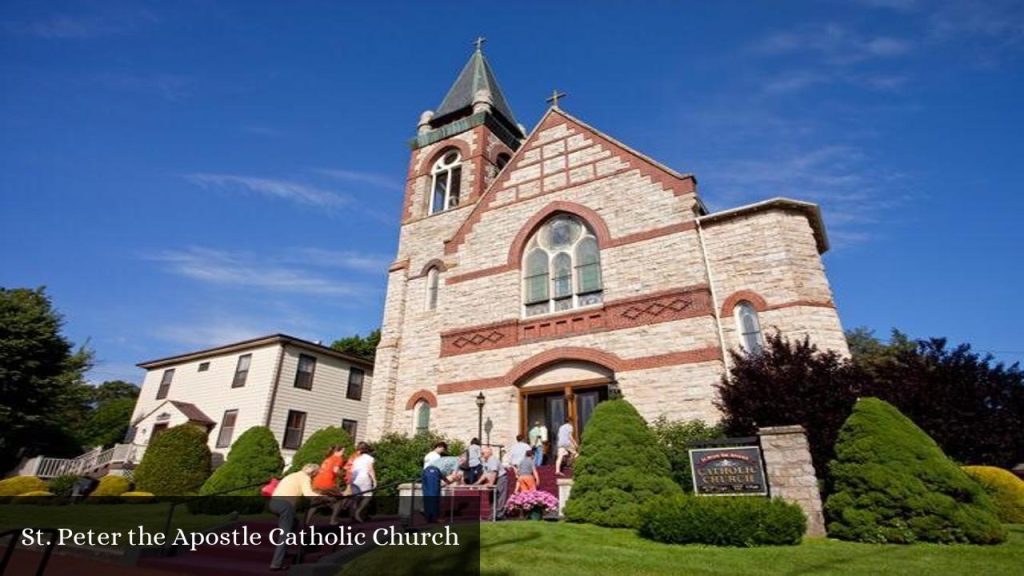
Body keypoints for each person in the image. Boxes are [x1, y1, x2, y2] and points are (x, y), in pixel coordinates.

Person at [269, 463, 321, 571]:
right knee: (285, 535)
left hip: (273, 503)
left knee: (295, 523)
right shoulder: (305, 478)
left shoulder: (292, 475)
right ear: (313, 473)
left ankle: (283, 551)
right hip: (285, 505)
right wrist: (325, 497)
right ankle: (276, 564)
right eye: (316, 474)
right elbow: (308, 494)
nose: (316, 476)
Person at [307, 445, 346, 525]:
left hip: (316, 482)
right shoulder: (338, 458)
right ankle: (333, 520)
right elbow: (336, 470)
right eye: (342, 451)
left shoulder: (327, 459)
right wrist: (343, 476)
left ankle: (306, 521)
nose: (343, 453)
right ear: (337, 452)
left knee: (315, 503)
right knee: (339, 500)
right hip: (327, 483)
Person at [475, 446, 509, 520]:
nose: (482, 455)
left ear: (489, 453)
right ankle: (493, 514)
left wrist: (490, 483)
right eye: (481, 453)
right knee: (492, 497)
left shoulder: (492, 460)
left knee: (500, 496)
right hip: (495, 478)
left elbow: (494, 472)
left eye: (483, 453)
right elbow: (485, 473)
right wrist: (477, 483)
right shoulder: (485, 461)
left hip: (501, 478)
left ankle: (499, 515)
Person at [348, 442, 376, 523]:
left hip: (354, 478)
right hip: (363, 478)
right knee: (368, 496)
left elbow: (352, 469)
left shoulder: (356, 458)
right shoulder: (369, 458)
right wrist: (374, 480)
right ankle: (358, 512)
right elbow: (370, 469)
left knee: (356, 497)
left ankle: (352, 514)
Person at [421, 442, 448, 523]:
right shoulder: (436, 456)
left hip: (425, 473)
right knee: (434, 495)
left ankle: (428, 517)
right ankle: (434, 518)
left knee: (427, 495)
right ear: (439, 447)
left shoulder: (428, 455)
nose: (442, 451)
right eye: (443, 449)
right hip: (432, 474)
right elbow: (439, 468)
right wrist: (445, 478)